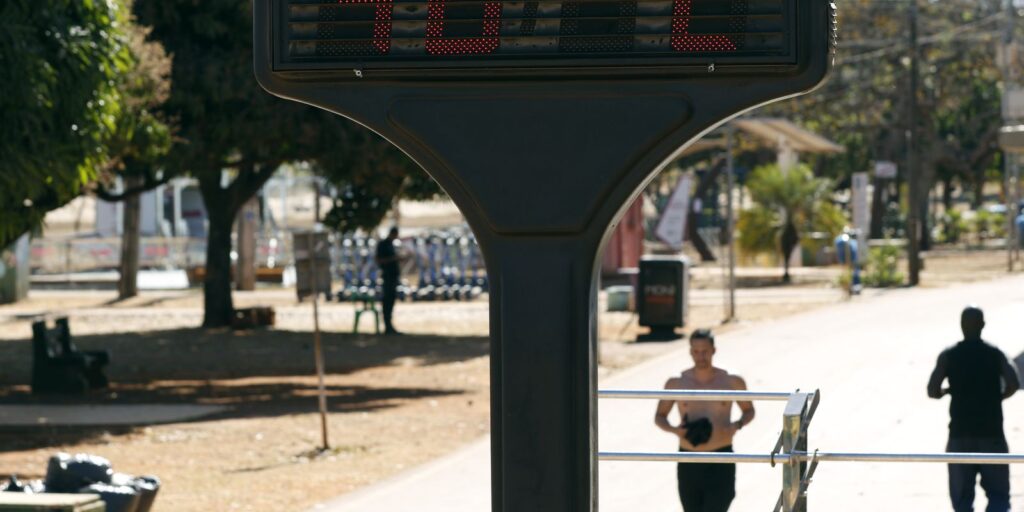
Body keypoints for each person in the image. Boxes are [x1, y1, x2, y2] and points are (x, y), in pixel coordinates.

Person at [928, 306, 1019, 512]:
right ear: (983, 325)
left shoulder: (949, 355)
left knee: (962, 501)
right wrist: (998, 397)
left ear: (961, 325)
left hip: (960, 436)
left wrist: (947, 391)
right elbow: (1013, 383)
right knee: (998, 496)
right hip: (992, 435)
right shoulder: (995, 353)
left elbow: (932, 390)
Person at [654, 329, 755, 512]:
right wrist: (675, 430)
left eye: (705, 351)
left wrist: (736, 425)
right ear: (690, 352)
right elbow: (659, 416)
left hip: (721, 457)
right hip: (688, 459)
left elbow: (749, 411)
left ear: (714, 350)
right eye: (696, 351)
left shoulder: (731, 381)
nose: (700, 356)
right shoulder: (676, 383)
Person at [375, 227, 402, 335]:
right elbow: (379, 260)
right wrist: (393, 259)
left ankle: (389, 325)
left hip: (393, 276)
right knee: (387, 301)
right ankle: (387, 325)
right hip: (387, 276)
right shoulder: (383, 244)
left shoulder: (391, 244)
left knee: (391, 301)